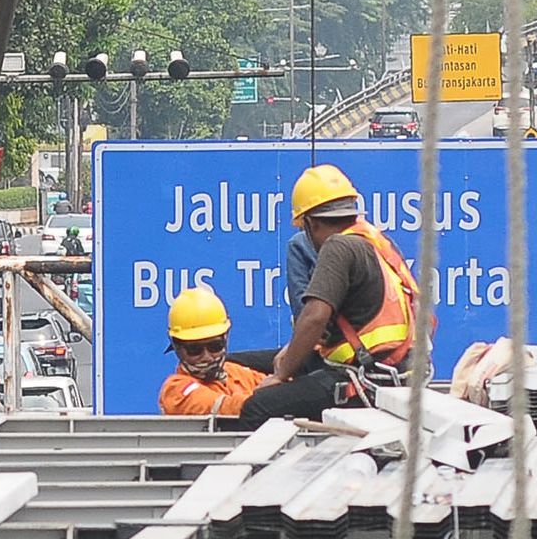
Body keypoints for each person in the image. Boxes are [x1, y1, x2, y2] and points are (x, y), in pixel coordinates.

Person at [234, 163, 422, 429]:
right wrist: (290, 354)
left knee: (257, 406)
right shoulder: (374, 242)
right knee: (242, 362)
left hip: (362, 380)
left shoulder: (337, 246)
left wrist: (282, 373)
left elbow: (314, 317)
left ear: (310, 223)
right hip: (388, 369)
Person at [159, 287, 265, 417]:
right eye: (195, 349)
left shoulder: (239, 374)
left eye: (215, 346)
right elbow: (227, 408)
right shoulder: (176, 391)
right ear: (177, 348)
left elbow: (279, 391)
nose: (207, 357)